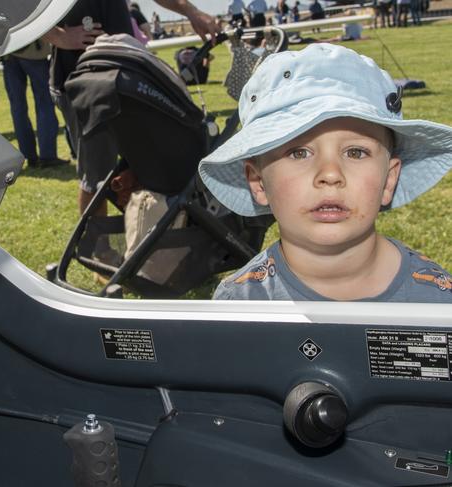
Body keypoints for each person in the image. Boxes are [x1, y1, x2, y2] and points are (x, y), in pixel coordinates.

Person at [198, 43, 452, 302]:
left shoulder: (436, 302)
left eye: (355, 152)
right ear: (258, 181)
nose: (330, 174)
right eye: (299, 153)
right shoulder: (241, 303)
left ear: (389, 179)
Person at [45, 0, 220, 217]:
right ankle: (98, 249)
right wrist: (58, 36)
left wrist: (191, 12)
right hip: (85, 85)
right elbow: (20, 8)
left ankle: (141, 239)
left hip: (127, 82)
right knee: (96, 178)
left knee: (141, 168)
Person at [1, 39, 69, 168]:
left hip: (9, 54)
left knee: (18, 109)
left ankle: (29, 155)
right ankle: (47, 156)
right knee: (45, 105)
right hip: (33, 53)